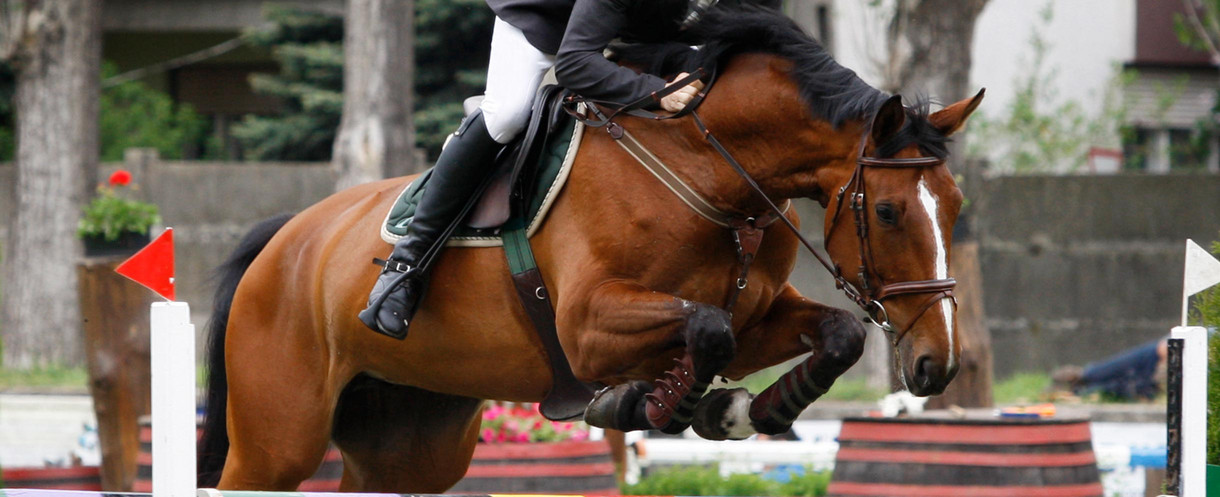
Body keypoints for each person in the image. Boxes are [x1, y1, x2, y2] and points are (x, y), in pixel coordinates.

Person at [359, 0, 711, 338]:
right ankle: (407, 262)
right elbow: (575, 63)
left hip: (634, 29)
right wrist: (655, 92)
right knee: (507, 115)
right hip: (546, 18)